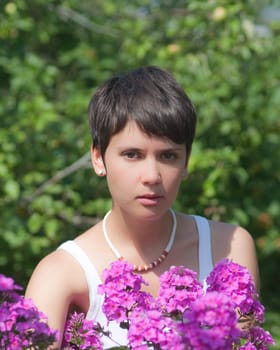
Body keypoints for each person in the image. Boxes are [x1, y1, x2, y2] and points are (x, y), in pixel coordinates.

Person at [25, 66, 260, 348]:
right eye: (132, 154)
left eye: (168, 156)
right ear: (98, 158)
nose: (152, 176)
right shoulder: (60, 274)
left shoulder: (229, 248)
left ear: (185, 162)